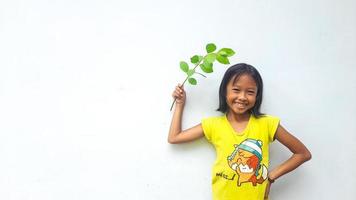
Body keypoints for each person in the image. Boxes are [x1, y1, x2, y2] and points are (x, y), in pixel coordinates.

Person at [168, 63, 312, 200]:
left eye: (250, 92)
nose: (242, 97)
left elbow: (303, 154)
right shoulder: (213, 124)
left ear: (257, 95)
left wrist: (270, 177)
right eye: (236, 90)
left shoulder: (268, 124)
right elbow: (174, 137)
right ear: (225, 91)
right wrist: (180, 105)